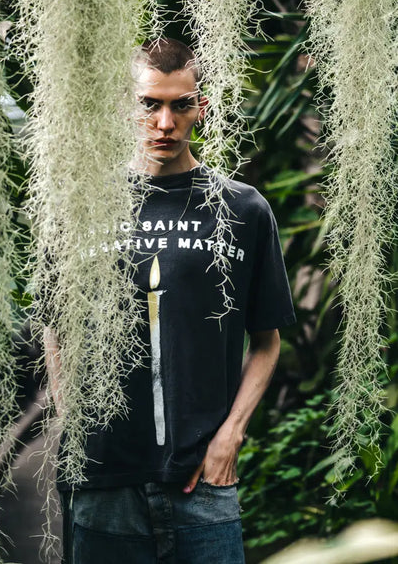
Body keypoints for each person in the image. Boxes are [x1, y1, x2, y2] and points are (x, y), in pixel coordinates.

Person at [44, 37, 296, 564]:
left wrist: (231, 435)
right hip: (103, 481)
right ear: (126, 105)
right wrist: (76, 426)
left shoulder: (243, 209)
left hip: (203, 480)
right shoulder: (81, 207)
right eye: (149, 104)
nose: (165, 123)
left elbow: (266, 339)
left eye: (181, 105)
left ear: (200, 106)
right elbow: (56, 327)